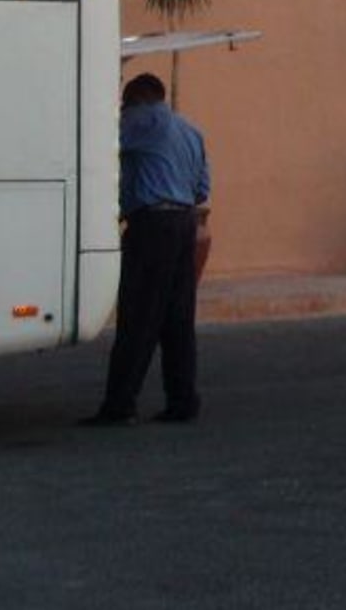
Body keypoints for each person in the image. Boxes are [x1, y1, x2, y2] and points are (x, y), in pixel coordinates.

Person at [79, 72, 210, 427]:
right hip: (185, 223)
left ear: (135, 99)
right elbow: (202, 189)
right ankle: (183, 400)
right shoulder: (191, 130)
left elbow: (99, 148)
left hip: (152, 226)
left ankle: (120, 404)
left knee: (138, 315)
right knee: (177, 318)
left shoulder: (140, 120)